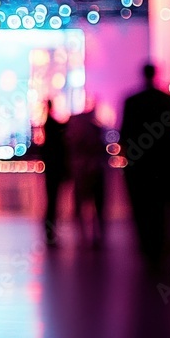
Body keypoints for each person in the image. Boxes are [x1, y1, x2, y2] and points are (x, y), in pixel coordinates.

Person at [120, 64, 170, 265]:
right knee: (159, 208)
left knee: (142, 208)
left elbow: (125, 133)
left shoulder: (132, 101)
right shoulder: (166, 101)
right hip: (161, 166)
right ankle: (157, 246)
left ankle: (147, 247)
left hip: (139, 167)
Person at [67, 97, 107, 247]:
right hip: (94, 171)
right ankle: (97, 236)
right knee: (98, 204)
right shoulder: (96, 130)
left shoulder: (77, 130)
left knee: (82, 204)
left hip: (83, 173)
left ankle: (84, 236)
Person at [40, 100, 67, 246]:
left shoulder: (48, 124)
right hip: (54, 169)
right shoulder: (52, 125)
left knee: (52, 201)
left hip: (51, 169)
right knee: (53, 202)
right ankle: (50, 231)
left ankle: (49, 231)